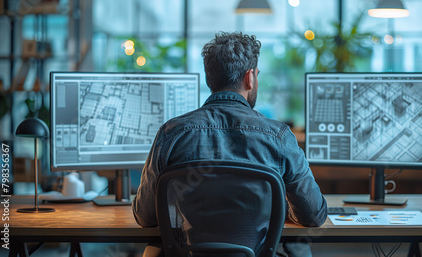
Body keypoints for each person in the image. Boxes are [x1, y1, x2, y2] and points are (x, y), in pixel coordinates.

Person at [132, 31, 328, 256]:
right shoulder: (279, 136)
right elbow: (314, 215)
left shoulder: (171, 134)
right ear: (250, 78)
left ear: (209, 79)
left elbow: (144, 216)